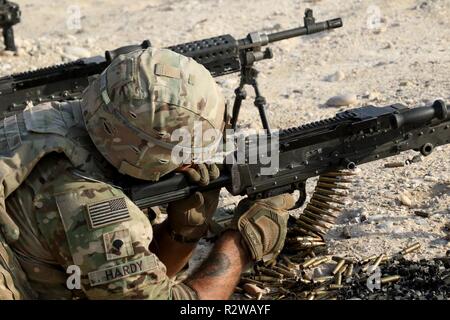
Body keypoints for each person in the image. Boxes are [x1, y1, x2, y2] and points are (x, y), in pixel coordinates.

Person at [0, 47, 294, 300]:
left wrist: (183, 232)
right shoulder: (92, 205)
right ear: (146, 154)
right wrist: (240, 243)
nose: (192, 161)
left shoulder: (55, 120)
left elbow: (136, 280)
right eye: (186, 152)